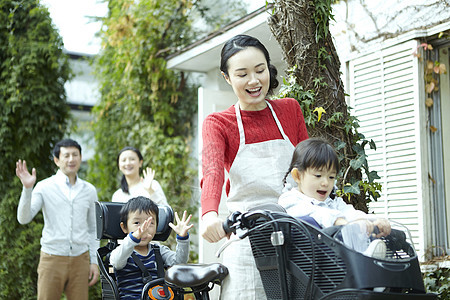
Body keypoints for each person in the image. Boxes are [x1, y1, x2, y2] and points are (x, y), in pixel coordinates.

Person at [200, 34, 309, 299]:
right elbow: (212, 172)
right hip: (247, 237)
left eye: (260, 70)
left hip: (297, 231)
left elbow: (309, 165)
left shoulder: (290, 110)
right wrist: (209, 215)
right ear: (227, 78)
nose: (254, 80)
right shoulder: (218, 123)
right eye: (242, 74)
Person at [16, 138, 99, 300]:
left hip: (80, 260)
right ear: (56, 160)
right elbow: (23, 218)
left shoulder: (89, 190)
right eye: (66, 155)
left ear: (81, 158)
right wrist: (27, 189)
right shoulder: (44, 186)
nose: (71, 159)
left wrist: (94, 261)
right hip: (51, 258)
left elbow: (93, 227)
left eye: (75, 155)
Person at [278, 137, 391, 257]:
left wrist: (371, 221)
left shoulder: (331, 202)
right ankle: (366, 255)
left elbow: (349, 212)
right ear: (297, 176)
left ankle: (370, 254)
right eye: (318, 175)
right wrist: (338, 221)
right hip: (314, 262)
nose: (326, 183)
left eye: (331, 177)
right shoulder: (289, 200)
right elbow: (314, 213)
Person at [110, 196, 193, 299]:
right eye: (137, 223)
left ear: (157, 226)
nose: (144, 228)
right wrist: (132, 239)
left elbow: (179, 264)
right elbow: (116, 261)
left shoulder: (158, 251)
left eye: (150, 223)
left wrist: (182, 238)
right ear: (124, 227)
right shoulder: (123, 252)